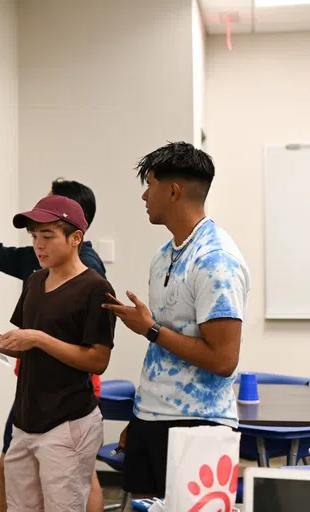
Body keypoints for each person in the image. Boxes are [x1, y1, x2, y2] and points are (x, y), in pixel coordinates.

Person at [0, 179, 107, 512]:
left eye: (47, 235)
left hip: (67, 415)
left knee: (73, 493)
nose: (38, 245)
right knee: (19, 495)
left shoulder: (93, 284)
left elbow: (97, 359)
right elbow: (24, 342)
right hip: (28, 413)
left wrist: (37, 338)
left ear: (75, 236)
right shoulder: (36, 278)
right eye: (34, 235)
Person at [102, 142, 250, 500]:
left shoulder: (216, 259)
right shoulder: (164, 254)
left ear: (173, 190)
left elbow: (223, 360)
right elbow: (168, 345)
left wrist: (150, 329)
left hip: (199, 426)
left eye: (149, 184)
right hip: (153, 418)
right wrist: (141, 416)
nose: (143, 195)